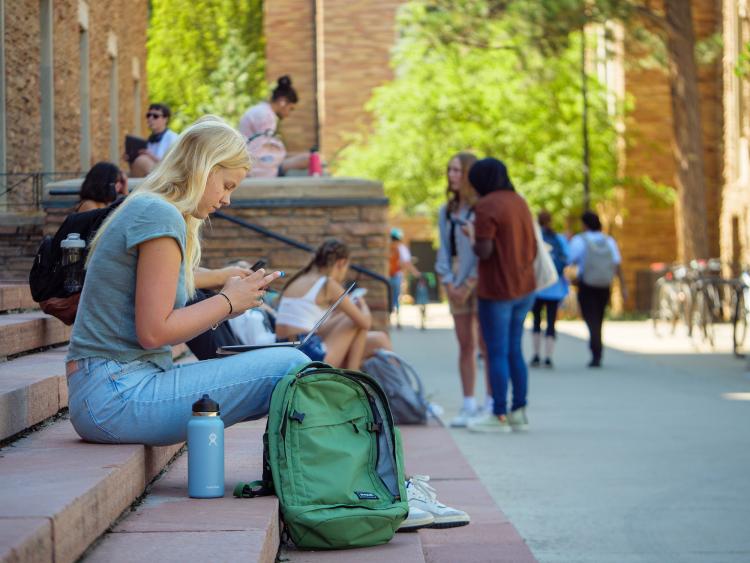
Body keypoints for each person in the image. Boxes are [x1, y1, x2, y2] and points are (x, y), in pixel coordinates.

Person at [65, 115, 309, 447]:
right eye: (227, 185)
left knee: (291, 364)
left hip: (115, 387)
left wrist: (228, 294)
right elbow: (154, 332)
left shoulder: (153, 209)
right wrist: (226, 303)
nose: (227, 200)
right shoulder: (158, 214)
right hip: (115, 393)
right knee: (292, 365)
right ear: (204, 168)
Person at [461, 158, 536, 433]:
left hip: (497, 289)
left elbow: (484, 251)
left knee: (496, 352)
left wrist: (471, 234)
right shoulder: (519, 201)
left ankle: (498, 414)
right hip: (525, 287)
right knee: (515, 349)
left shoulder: (487, 205)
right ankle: (519, 411)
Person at [434, 152, 493, 427]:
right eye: (450, 171)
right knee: (465, 345)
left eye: (457, 171)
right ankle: (468, 402)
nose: (452, 176)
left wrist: (468, 284)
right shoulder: (446, 211)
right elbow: (443, 251)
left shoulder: (481, 207)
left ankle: (491, 402)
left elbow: (485, 253)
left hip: (479, 283)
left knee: (486, 345)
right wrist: (448, 283)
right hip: (456, 284)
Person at [276, 239, 389, 369]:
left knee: (350, 320)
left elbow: (315, 327)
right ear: (342, 263)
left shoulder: (297, 280)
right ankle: (354, 377)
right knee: (356, 322)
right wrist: (362, 305)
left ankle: (354, 374)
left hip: (285, 350)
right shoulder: (327, 284)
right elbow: (365, 323)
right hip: (309, 354)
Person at [568, 210, 627, 368]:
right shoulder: (609, 241)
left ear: (585, 224)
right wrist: (623, 287)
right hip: (604, 285)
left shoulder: (580, 241)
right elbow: (617, 264)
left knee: (590, 318)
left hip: (587, 284)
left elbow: (570, 259)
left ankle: (595, 348)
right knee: (599, 317)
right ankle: (597, 348)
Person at [238, 75, 310, 176]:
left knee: (304, 158)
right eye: (290, 108)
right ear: (282, 102)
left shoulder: (261, 110)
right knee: (308, 159)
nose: (289, 114)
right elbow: (264, 154)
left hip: (251, 160)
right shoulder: (266, 116)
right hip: (256, 168)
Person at [530, 210, 570, 369]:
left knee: (536, 321)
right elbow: (567, 258)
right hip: (555, 286)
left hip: (537, 286)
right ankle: (548, 356)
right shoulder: (558, 239)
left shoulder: (534, 238)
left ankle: (536, 354)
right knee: (551, 323)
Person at [129, 103, 179, 178]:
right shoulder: (150, 139)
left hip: (166, 177)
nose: (150, 118)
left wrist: (150, 156)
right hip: (151, 175)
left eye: (155, 116)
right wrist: (131, 158)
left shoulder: (173, 138)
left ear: (165, 119)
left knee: (142, 160)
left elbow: (173, 165)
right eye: (148, 115)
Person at [389, 228, 419, 329]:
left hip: (389, 276)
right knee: (396, 298)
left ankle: (390, 318)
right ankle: (397, 320)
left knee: (390, 298)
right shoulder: (401, 248)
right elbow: (407, 263)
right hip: (396, 275)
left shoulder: (387, 247)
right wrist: (416, 273)